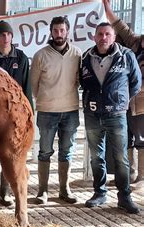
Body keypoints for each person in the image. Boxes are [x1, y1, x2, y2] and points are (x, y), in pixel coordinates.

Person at [79, 22, 141, 214]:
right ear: (94, 37)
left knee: (121, 157)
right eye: (100, 34)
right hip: (92, 114)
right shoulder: (85, 57)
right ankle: (99, 192)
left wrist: (119, 100)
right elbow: (83, 82)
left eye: (107, 34)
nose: (103, 37)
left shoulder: (127, 56)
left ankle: (124, 196)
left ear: (114, 37)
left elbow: (135, 83)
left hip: (116, 115)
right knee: (97, 157)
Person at [0, 20, 33, 207]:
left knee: (11, 156)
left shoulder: (21, 58)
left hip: (15, 116)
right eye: (2, 35)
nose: (6, 38)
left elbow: (26, 87)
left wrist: (29, 113)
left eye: (8, 34)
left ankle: (6, 194)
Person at [30, 16, 81, 205]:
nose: (59, 34)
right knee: (44, 152)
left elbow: (78, 80)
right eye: (55, 30)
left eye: (62, 30)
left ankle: (64, 190)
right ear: (50, 32)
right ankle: (42, 191)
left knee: (66, 152)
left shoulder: (77, 54)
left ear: (67, 31)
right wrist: (46, 99)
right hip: (47, 111)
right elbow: (33, 85)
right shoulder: (40, 55)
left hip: (70, 110)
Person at [103, 0, 144, 184]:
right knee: (125, 138)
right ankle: (129, 174)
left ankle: (142, 177)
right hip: (125, 100)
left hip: (142, 103)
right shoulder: (134, 42)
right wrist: (107, 8)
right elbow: (118, 24)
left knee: (141, 137)